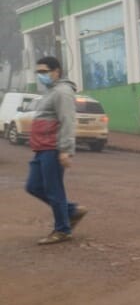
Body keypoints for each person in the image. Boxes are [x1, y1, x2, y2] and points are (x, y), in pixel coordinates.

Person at [25, 56, 88, 245]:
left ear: (56, 71)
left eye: (44, 71)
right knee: (33, 186)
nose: (40, 75)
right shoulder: (51, 91)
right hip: (41, 148)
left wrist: (65, 150)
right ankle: (71, 211)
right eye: (38, 72)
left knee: (54, 190)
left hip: (53, 148)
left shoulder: (62, 92)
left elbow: (68, 121)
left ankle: (62, 230)